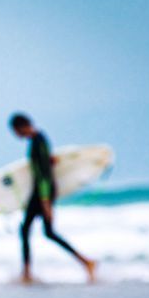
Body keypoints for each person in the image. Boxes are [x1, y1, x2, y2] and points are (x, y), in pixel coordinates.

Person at [9, 113, 97, 283]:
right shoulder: (39, 141)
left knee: (32, 230)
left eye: (15, 131)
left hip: (43, 192)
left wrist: (45, 202)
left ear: (22, 127)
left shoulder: (38, 142)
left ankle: (28, 273)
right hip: (42, 192)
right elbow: (46, 165)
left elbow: (44, 175)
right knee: (38, 231)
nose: (16, 135)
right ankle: (85, 262)